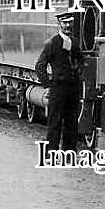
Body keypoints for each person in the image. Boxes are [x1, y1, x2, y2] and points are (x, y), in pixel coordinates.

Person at [35, 10, 85, 151]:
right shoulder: (52, 43)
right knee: (54, 122)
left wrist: (77, 72)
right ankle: (51, 153)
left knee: (71, 122)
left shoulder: (74, 42)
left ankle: (69, 153)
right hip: (57, 88)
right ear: (59, 24)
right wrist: (47, 85)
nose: (67, 26)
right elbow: (40, 66)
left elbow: (82, 60)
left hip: (72, 89)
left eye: (70, 22)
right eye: (64, 23)